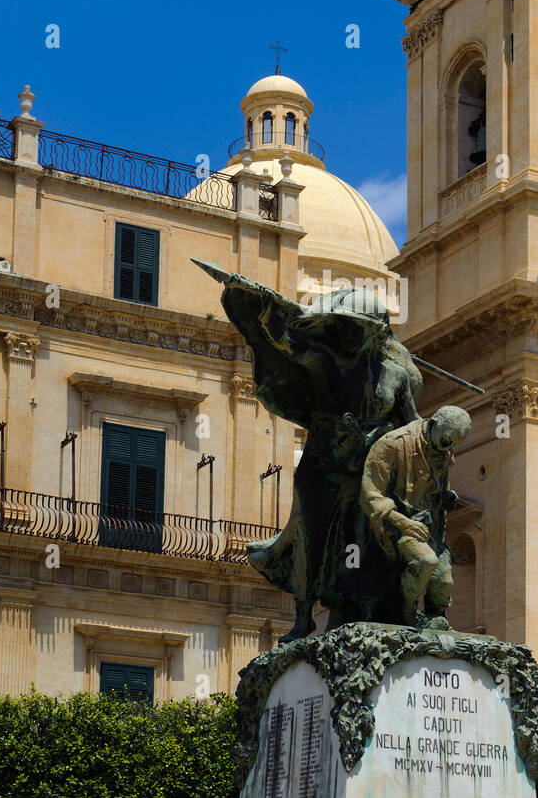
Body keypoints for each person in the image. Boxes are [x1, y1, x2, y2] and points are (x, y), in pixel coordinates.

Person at [192, 263, 423, 641]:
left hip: (369, 469)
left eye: (355, 327)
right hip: (322, 464)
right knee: (310, 538)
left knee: (366, 541)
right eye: (343, 325)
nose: (347, 333)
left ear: (374, 333)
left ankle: (363, 607)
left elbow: (411, 425)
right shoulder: (323, 361)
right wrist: (261, 303)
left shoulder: (395, 375)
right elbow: (283, 339)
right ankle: (302, 617)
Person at [359, 406, 472, 627]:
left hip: (430, 528)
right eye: (447, 440)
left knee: (443, 580)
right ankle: (404, 610)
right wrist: (404, 522)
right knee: (425, 561)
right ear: (433, 424)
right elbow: (370, 494)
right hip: (397, 526)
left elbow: (438, 487)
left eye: (453, 444)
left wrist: (446, 496)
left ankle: (435, 618)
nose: (448, 448)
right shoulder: (392, 444)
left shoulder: (443, 451)